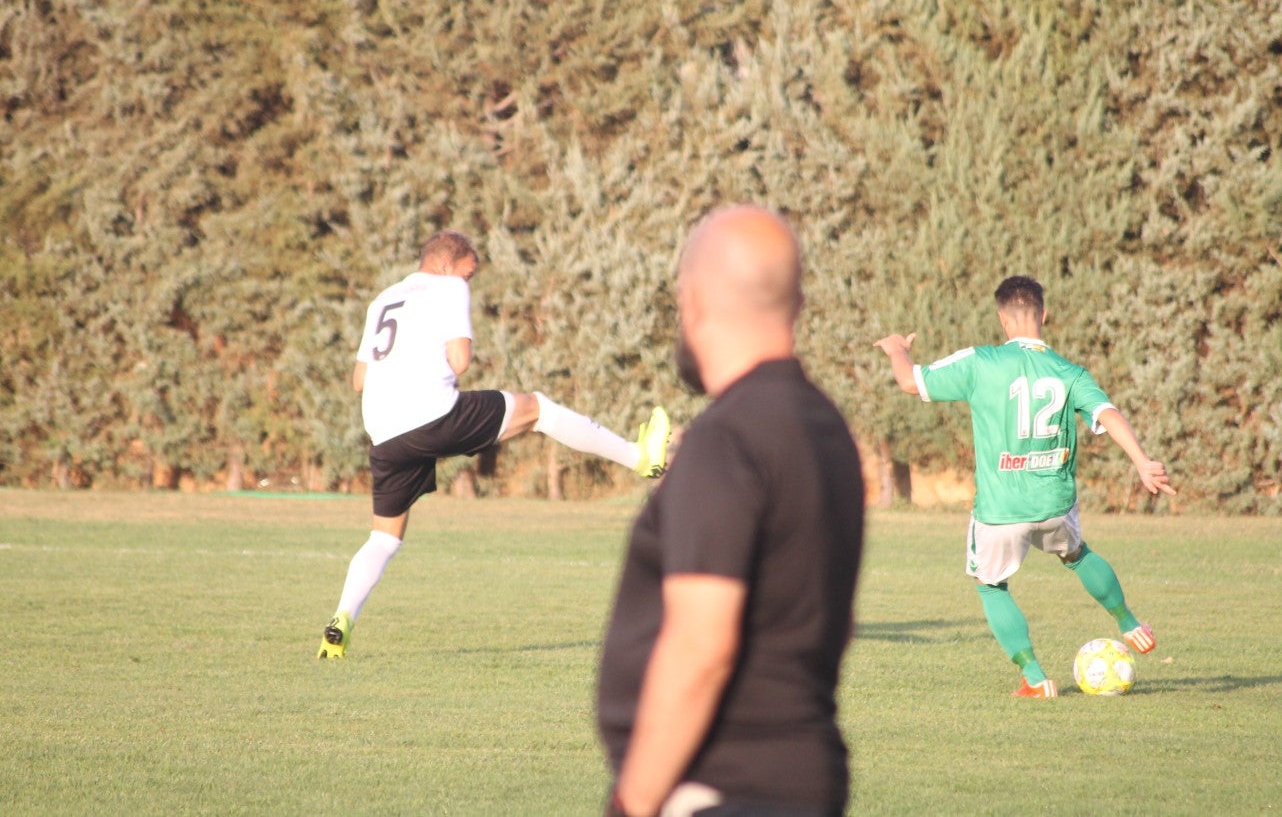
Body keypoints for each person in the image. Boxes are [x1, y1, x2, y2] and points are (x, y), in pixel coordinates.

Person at [596, 205, 865, 817]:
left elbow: (701, 645)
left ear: (694, 299)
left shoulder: (728, 438)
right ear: (795, 302)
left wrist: (633, 803)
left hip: (721, 788)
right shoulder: (827, 430)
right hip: (802, 774)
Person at [318, 229, 672, 659]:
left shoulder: (383, 299)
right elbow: (460, 361)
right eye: (469, 274)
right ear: (448, 264)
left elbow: (359, 380)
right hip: (433, 415)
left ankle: (340, 622)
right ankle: (642, 458)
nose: (468, 283)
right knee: (538, 408)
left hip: (385, 436)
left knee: (384, 538)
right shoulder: (448, 287)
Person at [873, 275, 1176, 698]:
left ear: (1002, 319)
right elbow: (1108, 413)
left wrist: (897, 349)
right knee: (1075, 553)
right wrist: (1142, 462)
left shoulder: (980, 362)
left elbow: (910, 382)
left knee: (990, 584)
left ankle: (1035, 677)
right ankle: (1128, 622)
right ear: (1044, 315)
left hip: (1000, 509)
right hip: (1054, 502)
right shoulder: (1069, 372)